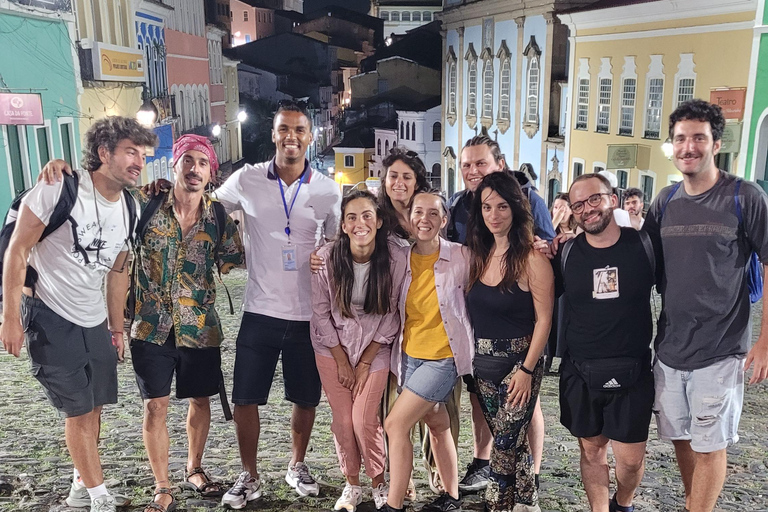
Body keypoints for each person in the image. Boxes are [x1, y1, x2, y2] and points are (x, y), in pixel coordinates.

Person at [0, 116, 157, 512]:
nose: (139, 161)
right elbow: (17, 250)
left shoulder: (130, 208)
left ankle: (79, 486)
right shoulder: (59, 189)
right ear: (104, 153)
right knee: (78, 410)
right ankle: (99, 498)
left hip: (94, 320)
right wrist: (10, 317)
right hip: (51, 314)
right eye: (130, 152)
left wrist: (116, 329)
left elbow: (119, 271)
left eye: (142, 153)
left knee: (95, 406)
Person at [213, 101, 342, 509]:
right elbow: (207, 206)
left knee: (306, 399)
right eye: (284, 129)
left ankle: (297, 464)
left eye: (300, 130)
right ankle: (249, 475)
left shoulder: (326, 188)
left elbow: (341, 241)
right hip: (260, 309)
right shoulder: (246, 179)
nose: (292, 137)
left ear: (310, 136)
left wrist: (329, 253)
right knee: (244, 399)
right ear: (273, 134)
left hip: (308, 314)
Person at [643, 99, 768, 512]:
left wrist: (765, 341)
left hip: (721, 348)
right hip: (671, 346)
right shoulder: (664, 202)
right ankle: (694, 503)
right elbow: (637, 259)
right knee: (680, 437)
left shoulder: (744, 197)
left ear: (716, 143)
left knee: (711, 443)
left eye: (699, 137)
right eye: (680, 139)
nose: (688, 147)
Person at [447, 135, 553, 493]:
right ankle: (525, 495)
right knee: (504, 436)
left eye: (480, 163)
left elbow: (545, 313)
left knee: (509, 442)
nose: (494, 214)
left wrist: (526, 369)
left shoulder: (532, 217)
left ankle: (516, 489)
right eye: (466, 164)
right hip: (483, 358)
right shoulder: (464, 223)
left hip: (520, 354)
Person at [556, 173, 655, 512]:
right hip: (581, 372)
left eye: (594, 199)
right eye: (578, 204)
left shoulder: (643, 246)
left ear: (613, 198)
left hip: (633, 373)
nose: (587, 209)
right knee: (591, 451)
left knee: (629, 462)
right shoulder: (565, 253)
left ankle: (622, 501)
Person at [311, 190, 407, 511]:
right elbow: (321, 313)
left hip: (375, 347)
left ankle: (379, 482)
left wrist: (365, 361)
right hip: (331, 348)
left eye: (367, 215)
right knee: (342, 421)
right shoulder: (326, 259)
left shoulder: (393, 259)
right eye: (351, 217)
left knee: (363, 419)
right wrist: (341, 360)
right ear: (343, 224)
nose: (359, 223)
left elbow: (393, 313)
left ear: (379, 221)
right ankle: (352, 484)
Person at [382, 190, 474, 512]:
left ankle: (394, 506)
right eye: (418, 212)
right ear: (409, 219)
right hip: (409, 358)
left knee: (395, 424)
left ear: (444, 220)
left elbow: (496, 269)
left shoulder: (461, 256)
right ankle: (452, 498)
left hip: (443, 359)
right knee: (437, 424)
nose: (425, 219)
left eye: (433, 213)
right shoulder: (400, 259)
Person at [544, 193, 576, 374]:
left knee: (564, 321)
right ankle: (547, 359)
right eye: (556, 207)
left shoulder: (577, 232)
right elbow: (545, 241)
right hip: (550, 281)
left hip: (568, 284)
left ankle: (563, 358)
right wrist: (554, 221)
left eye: (564, 208)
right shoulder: (549, 231)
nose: (560, 211)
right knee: (550, 320)